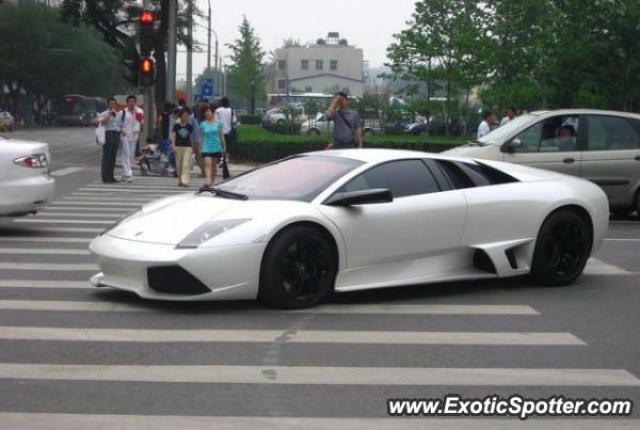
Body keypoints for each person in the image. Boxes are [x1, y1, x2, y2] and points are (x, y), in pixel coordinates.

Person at [199, 106, 226, 188]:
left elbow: (221, 135)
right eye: (206, 112)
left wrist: (224, 146)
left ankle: (212, 181)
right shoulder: (203, 124)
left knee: (214, 166)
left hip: (216, 147)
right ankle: (207, 180)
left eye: (209, 111)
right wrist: (200, 148)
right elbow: (201, 137)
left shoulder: (219, 123)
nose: (207, 113)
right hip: (206, 147)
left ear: (213, 113)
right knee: (208, 164)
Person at [119, 95, 144, 183]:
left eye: (133, 101)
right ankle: (129, 174)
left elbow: (141, 122)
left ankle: (124, 174)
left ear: (135, 102)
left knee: (130, 154)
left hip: (134, 135)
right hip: (125, 135)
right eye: (130, 101)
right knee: (127, 153)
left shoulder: (139, 111)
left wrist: (138, 118)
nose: (131, 103)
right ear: (127, 103)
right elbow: (118, 123)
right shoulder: (123, 112)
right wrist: (121, 130)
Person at [98, 97, 121, 183]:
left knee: (113, 157)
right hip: (108, 134)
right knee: (107, 156)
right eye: (110, 104)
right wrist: (109, 115)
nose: (112, 105)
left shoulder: (118, 114)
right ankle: (105, 177)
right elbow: (102, 123)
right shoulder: (104, 113)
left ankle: (111, 176)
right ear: (108, 104)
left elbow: (120, 124)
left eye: (113, 104)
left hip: (115, 135)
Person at [171, 108, 195, 187]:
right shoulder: (176, 125)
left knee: (186, 164)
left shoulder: (189, 126)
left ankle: (185, 181)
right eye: (184, 116)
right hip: (178, 147)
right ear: (180, 117)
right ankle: (180, 180)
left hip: (187, 147)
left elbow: (191, 137)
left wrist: (192, 147)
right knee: (179, 165)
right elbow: (174, 135)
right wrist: (173, 145)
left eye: (187, 116)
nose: (186, 118)